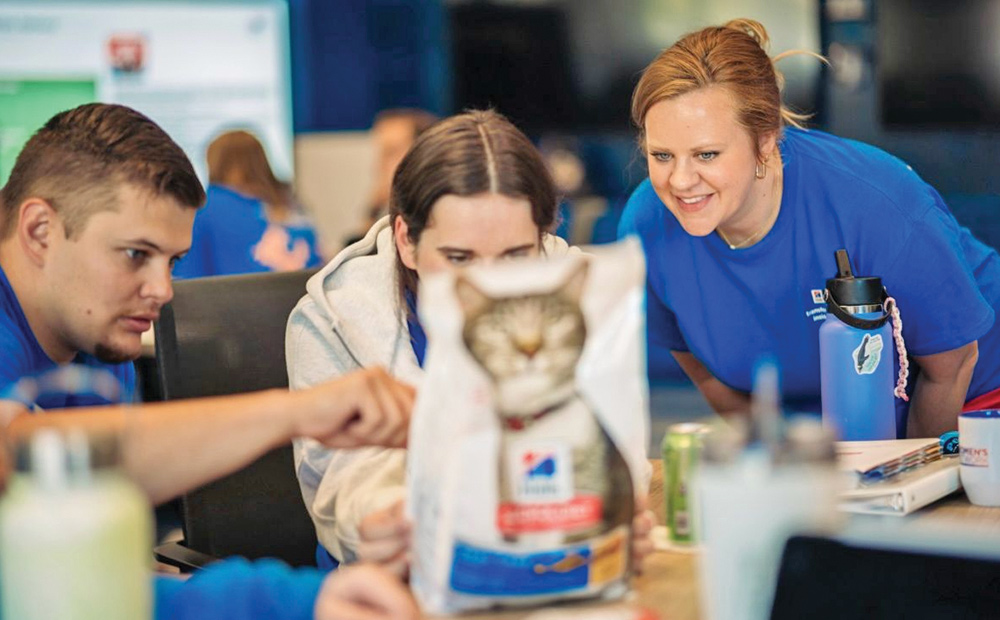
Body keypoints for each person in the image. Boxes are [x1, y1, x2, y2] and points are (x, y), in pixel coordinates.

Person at [0, 102, 418, 620]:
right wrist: (297, 412)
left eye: (172, 262)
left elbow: (81, 586)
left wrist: (306, 602)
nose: (161, 290)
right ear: (40, 231)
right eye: (135, 255)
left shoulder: (98, 343)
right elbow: (17, 460)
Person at [286, 109, 654, 573]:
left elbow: (618, 453)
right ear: (406, 241)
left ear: (542, 239)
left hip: (552, 569)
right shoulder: (331, 320)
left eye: (515, 255)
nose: (487, 284)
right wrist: (394, 517)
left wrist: (612, 512)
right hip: (394, 587)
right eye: (459, 257)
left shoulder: (574, 294)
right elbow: (344, 492)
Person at [618, 19, 1000, 438]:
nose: (680, 181)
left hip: (976, 399)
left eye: (707, 154)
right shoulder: (646, 227)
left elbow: (955, 364)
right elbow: (710, 378)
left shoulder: (875, 202)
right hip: (827, 430)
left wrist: (905, 490)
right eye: (662, 155)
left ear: (765, 139)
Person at [172, 130, 322, 279]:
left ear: (213, 162)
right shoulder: (290, 203)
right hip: (304, 297)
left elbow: (188, 278)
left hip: (238, 299)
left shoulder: (204, 209)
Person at [348, 108, 438, 244]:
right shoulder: (384, 212)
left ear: (423, 155)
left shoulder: (436, 222)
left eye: (391, 152)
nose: (379, 165)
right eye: (379, 153)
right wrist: (373, 210)